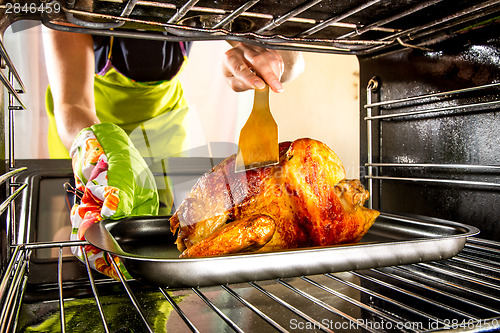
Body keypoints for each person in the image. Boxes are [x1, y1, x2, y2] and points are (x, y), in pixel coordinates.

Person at [42, 28, 304, 278]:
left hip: (163, 127)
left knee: (164, 236)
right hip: (91, 131)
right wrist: (97, 153)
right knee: (83, 242)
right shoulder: (81, 6)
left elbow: (295, 62)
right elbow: (72, 102)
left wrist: (267, 57)